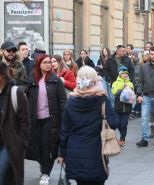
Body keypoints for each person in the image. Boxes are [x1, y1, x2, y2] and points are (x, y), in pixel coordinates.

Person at [58, 66, 117, 185]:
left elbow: (65, 130)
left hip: (76, 150)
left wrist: (62, 153)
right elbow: (114, 123)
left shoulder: (71, 101)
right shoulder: (102, 100)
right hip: (97, 150)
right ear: (95, 81)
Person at [25, 54, 67, 185]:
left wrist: (64, 119)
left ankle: (46, 173)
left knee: (47, 146)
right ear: (38, 64)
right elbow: (25, 98)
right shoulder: (32, 80)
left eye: (49, 62)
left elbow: (62, 101)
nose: (48, 64)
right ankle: (43, 164)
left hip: (50, 119)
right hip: (35, 119)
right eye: (45, 62)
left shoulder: (56, 80)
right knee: (36, 145)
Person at [0, 62, 30, 185]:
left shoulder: (15, 92)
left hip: (11, 144)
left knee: (2, 173)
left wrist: (21, 143)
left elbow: (25, 121)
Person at [112, 66, 134, 146]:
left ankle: (122, 138)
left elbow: (131, 95)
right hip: (118, 107)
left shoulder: (130, 83)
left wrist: (128, 89)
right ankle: (122, 134)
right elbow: (114, 93)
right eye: (123, 73)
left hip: (127, 108)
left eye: (126, 73)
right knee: (117, 123)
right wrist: (122, 88)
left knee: (124, 124)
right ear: (120, 74)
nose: (125, 75)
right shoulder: (115, 83)